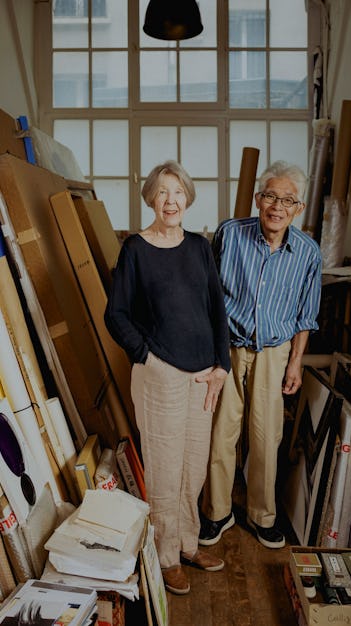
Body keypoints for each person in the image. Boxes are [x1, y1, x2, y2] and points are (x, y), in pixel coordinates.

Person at [104, 160, 230, 595]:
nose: (171, 200)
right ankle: (166, 555)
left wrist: (222, 367)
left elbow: (217, 310)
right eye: (163, 192)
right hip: (161, 378)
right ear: (151, 199)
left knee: (193, 469)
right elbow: (115, 315)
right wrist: (148, 360)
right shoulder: (135, 250)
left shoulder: (198, 247)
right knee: (163, 472)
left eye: (178, 192)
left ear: (187, 197)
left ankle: (189, 544)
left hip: (203, 379)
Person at [199, 160, 322, 549]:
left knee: (267, 438)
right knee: (221, 434)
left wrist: (296, 361)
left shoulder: (307, 252)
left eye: (287, 200)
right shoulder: (230, 234)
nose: (277, 206)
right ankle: (216, 513)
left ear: (298, 208)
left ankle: (262, 515)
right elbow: (209, 294)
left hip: (275, 352)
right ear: (257, 199)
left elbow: (307, 314)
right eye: (270, 195)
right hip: (228, 349)